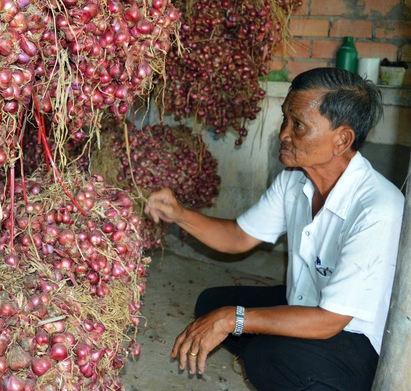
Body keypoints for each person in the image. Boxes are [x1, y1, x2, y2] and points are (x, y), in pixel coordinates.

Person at [144, 67, 405, 391]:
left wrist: (233, 319)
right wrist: (180, 214)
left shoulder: (377, 208)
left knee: (267, 357)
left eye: (298, 125)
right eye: (285, 119)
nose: (283, 133)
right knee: (211, 304)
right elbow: (239, 238)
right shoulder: (294, 181)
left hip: (352, 338)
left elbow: (330, 321)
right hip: (307, 303)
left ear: (342, 139)